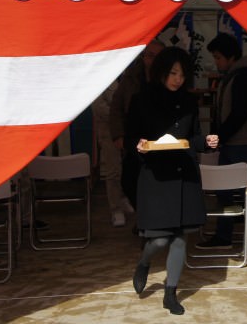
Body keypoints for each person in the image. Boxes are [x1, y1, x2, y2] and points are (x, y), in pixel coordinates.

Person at [126, 47, 219, 315]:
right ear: (161, 72)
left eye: (182, 74)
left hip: (184, 174)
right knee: (159, 240)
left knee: (180, 238)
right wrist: (139, 146)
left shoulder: (189, 102)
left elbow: (194, 137)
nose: (178, 79)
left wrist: (207, 143)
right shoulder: (141, 99)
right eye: (173, 73)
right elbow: (131, 137)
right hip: (155, 177)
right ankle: (144, 262)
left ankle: (171, 293)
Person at [195, 33, 247, 253]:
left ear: (231, 56)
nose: (216, 62)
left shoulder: (243, 76)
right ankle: (224, 234)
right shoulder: (233, 75)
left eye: (218, 57)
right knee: (225, 192)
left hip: (244, 144)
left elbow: (239, 114)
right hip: (232, 144)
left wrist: (219, 136)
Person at [109, 40, 165, 209]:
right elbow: (116, 107)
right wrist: (118, 135)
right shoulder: (131, 77)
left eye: (158, 56)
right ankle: (143, 216)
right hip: (134, 138)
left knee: (157, 183)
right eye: (149, 55)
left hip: (160, 139)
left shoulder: (168, 78)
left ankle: (151, 220)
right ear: (143, 57)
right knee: (130, 181)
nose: (153, 60)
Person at [91, 79, 134, 227]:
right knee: (113, 169)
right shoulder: (102, 78)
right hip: (108, 130)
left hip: (128, 128)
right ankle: (115, 209)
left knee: (128, 167)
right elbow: (98, 107)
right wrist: (119, 115)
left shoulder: (127, 76)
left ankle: (123, 197)